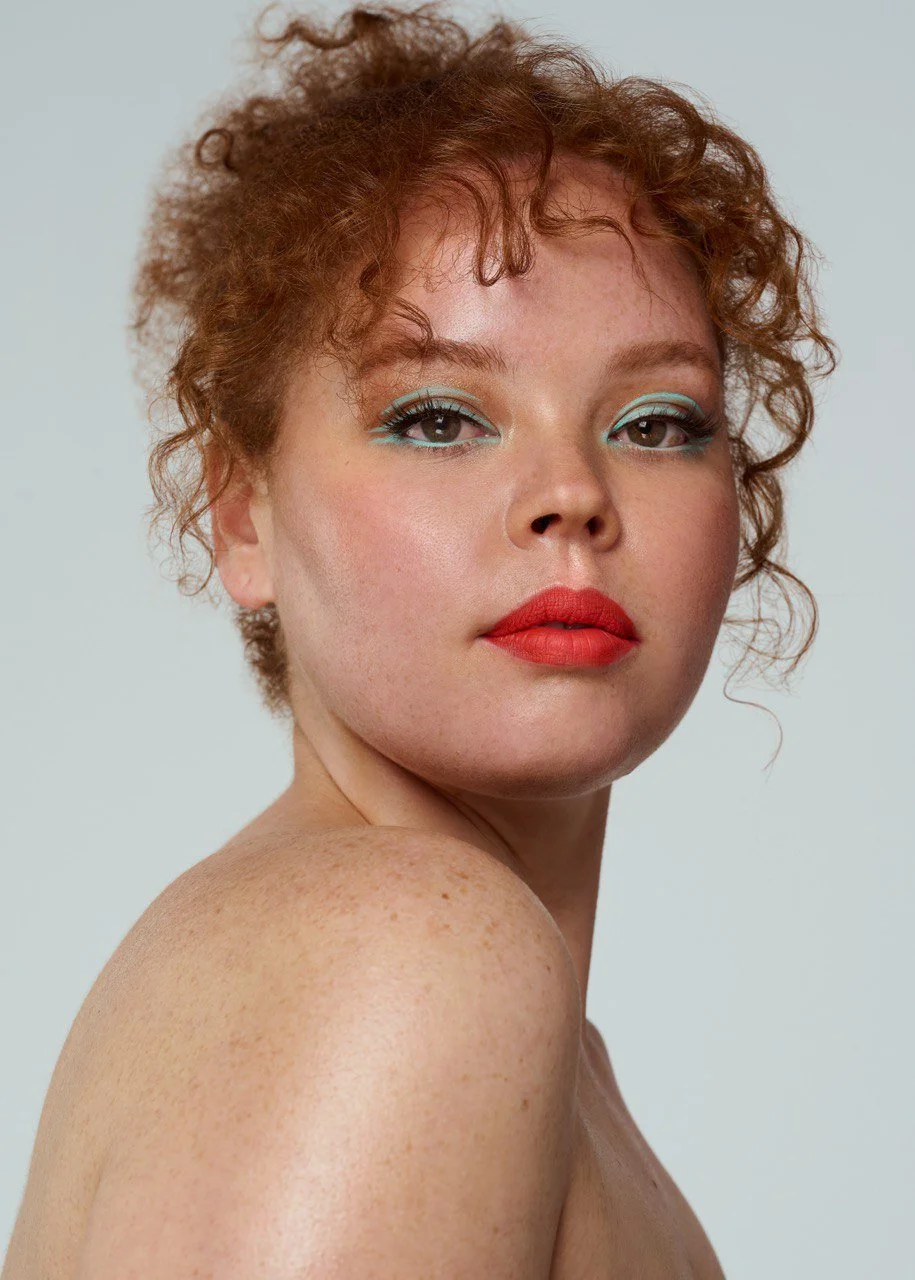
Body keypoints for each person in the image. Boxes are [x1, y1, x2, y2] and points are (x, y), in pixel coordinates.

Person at [2, 3, 836, 1275]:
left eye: (658, 421)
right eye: (440, 417)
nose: (573, 493)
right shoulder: (412, 954)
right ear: (244, 512)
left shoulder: (519, 1032)